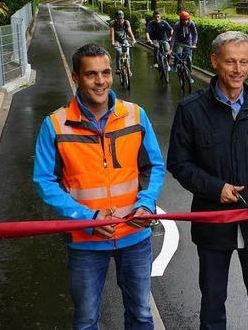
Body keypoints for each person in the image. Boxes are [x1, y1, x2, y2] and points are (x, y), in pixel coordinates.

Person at [33, 43, 165, 330]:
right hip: (85, 241)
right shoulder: (55, 125)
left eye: (106, 72)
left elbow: (153, 166)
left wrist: (146, 203)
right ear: (75, 77)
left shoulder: (134, 115)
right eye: (91, 74)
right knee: (86, 319)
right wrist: (87, 219)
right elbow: (45, 182)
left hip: (135, 236)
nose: (101, 81)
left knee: (141, 314)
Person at [167, 31, 248, 330]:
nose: (238, 70)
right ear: (214, 61)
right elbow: (179, 163)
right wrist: (215, 188)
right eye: (230, 62)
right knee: (212, 303)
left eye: (244, 62)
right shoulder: (191, 109)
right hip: (212, 224)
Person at [169, 10, 197, 83]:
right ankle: (175, 66)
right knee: (178, 55)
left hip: (188, 43)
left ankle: (189, 76)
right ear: (181, 20)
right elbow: (174, 36)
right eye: (184, 20)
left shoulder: (191, 24)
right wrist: (171, 48)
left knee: (189, 60)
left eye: (187, 19)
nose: (186, 22)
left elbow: (195, 34)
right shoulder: (177, 25)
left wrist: (194, 44)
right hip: (179, 43)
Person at [110, 10, 136, 74]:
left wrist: (134, 40)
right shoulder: (113, 23)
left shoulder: (126, 22)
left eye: (121, 18)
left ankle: (128, 69)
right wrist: (113, 42)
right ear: (116, 19)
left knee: (127, 54)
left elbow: (130, 31)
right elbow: (112, 33)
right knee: (119, 52)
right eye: (118, 19)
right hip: (116, 40)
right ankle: (118, 68)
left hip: (124, 40)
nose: (120, 20)